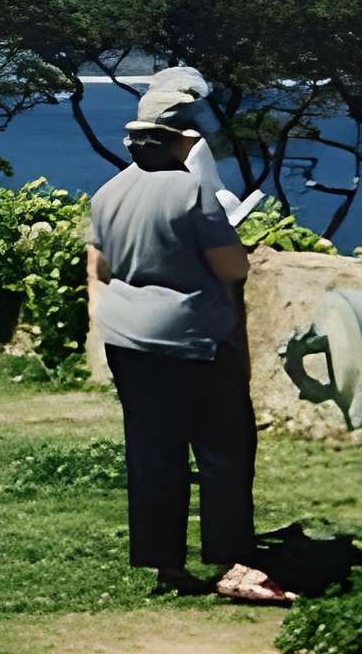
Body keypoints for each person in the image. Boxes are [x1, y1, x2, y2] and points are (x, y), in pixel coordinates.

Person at [84, 83, 292, 603]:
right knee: (224, 448)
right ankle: (231, 561)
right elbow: (232, 266)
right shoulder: (193, 191)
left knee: (154, 452)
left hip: (128, 339)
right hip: (193, 338)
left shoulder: (107, 193)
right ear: (181, 143)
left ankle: (165, 567)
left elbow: (105, 267)